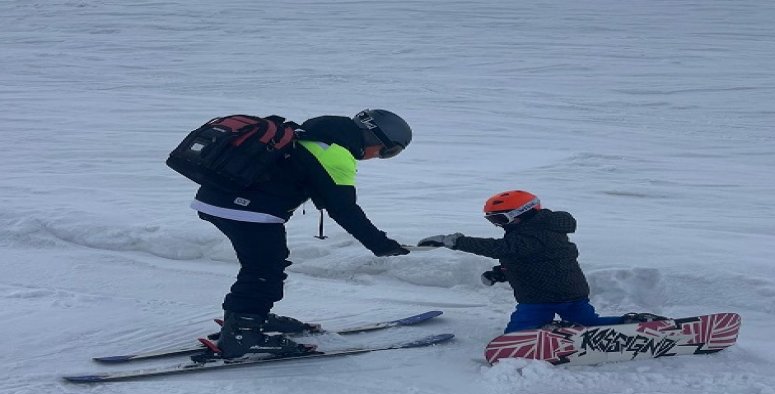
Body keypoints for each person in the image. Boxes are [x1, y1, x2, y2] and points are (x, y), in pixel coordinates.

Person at [191, 109, 412, 359]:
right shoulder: (334, 154)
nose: (379, 157)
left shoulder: (312, 134)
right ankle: (243, 332)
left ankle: (246, 317)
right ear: (374, 138)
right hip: (247, 210)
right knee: (266, 269)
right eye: (388, 151)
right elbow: (344, 210)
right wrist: (381, 244)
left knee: (259, 264)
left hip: (217, 199)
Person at [418, 190, 666, 333]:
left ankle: (635, 324)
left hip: (548, 296)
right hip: (551, 292)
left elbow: (501, 248)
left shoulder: (539, 233)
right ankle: (555, 330)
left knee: (516, 337)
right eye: (492, 221)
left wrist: (455, 241)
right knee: (583, 323)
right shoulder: (528, 235)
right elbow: (527, 260)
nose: (497, 226)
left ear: (521, 215)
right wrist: (500, 273)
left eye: (500, 220)